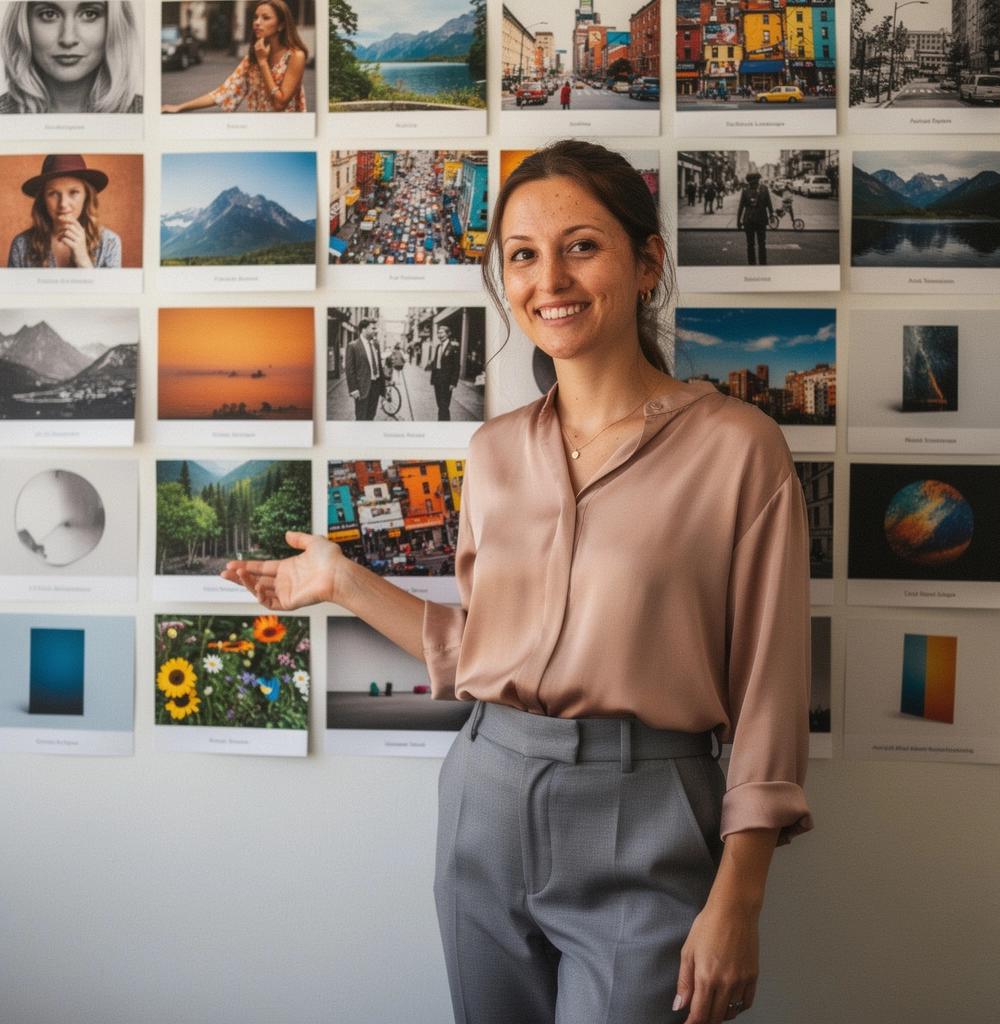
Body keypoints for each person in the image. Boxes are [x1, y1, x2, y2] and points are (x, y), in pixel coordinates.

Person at [222, 140, 811, 1024]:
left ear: (647, 261)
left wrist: (740, 899)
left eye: (582, 246)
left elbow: (769, 691)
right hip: (483, 799)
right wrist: (343, 581)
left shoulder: (738, 448)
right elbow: (480, 652)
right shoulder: (493, 453)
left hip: (647, 813)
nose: (550, 281)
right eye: (523, 256)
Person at [161, 0, 307, 114]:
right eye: (255, 17)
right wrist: (180, 107)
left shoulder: (295, 56)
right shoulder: (252, 58)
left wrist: (263, 62)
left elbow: (279, 104)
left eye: (265, 18)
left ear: (281, 25)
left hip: (287, 131)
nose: (257, 22)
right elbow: (223, 92)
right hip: (258, 130)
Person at [0, 1, 142, 114]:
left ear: (115, 23)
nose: (68, 39)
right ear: (23, 23)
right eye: (49, 14)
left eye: (89, 13)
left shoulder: (145, 113)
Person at [8, 153, 121, 268]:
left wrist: (83, 260)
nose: (63, 204)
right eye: (53, 193)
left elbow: (110, 287)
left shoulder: (109, 243)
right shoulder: (21, 245)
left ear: (86, 196)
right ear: (43, 199)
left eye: (73, 192)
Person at [346, 318, 384, 421]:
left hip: (375, 386)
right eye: (372, 328)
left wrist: (383, 389)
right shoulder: (353, 346)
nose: (375, 331)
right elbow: (350, 370)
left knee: (371, 416)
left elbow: (379, 366)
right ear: (363, 329)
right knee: (361, 417)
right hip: (362, 388)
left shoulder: (376, 345)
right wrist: (353, 389)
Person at [737, 169, 773, 266]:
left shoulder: (746, 190)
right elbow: (769, 204)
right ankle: (761, 264)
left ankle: (753, 264)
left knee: (752, 245)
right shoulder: (764, 189)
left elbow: (741, 207)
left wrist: (738, 221)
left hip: (749, 220)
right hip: (759, 220)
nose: (752, 183)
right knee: (760, 244)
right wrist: (771, 215)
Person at [430, 325, 461, 421]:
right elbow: (436, 363)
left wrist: (453, 382)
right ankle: (443, 422)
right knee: (440, 404)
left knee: (444, 405)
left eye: (441, 332)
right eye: (438, 332)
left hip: (447, 381)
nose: (439, 334)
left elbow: (456, 366)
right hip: (437, 379)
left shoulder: (453, 347)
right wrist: (433, 378)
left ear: (448, 334)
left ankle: (443, 424)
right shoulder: (438, 347)